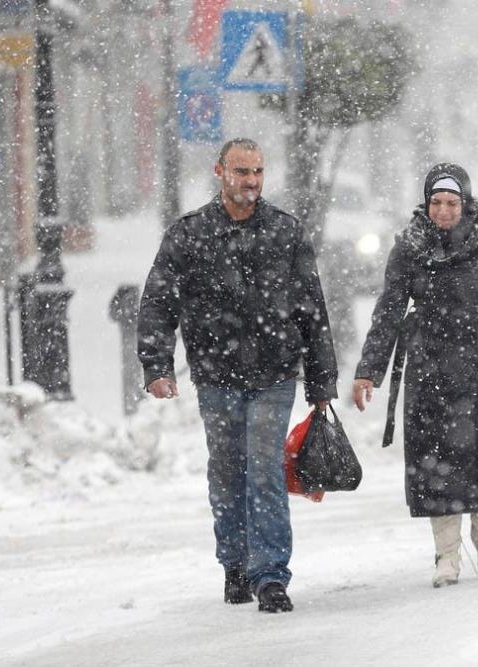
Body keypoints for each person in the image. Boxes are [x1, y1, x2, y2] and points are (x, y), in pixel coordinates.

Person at [137, 138, 338, 613]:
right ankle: (234, 563)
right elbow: (158, 302)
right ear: (220, 172)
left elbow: (312, 308)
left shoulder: (286, 233)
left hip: (274, 373)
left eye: (258, 172)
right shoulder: (190, 235)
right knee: (227, 471)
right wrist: (157, 365)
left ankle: (270, 575)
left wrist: (321, 380)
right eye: (242, 171)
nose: (251, 181)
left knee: (265, 469)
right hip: (216, 374)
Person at [352, 163, 478, 588]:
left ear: (466, 202)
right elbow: (388, 311)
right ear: (426, 205)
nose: (443, 211)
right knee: (436, 463)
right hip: (433, 370)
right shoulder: (410, 246)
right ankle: (446, 554)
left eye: (452, 203)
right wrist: (369, 371)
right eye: (436, 203)